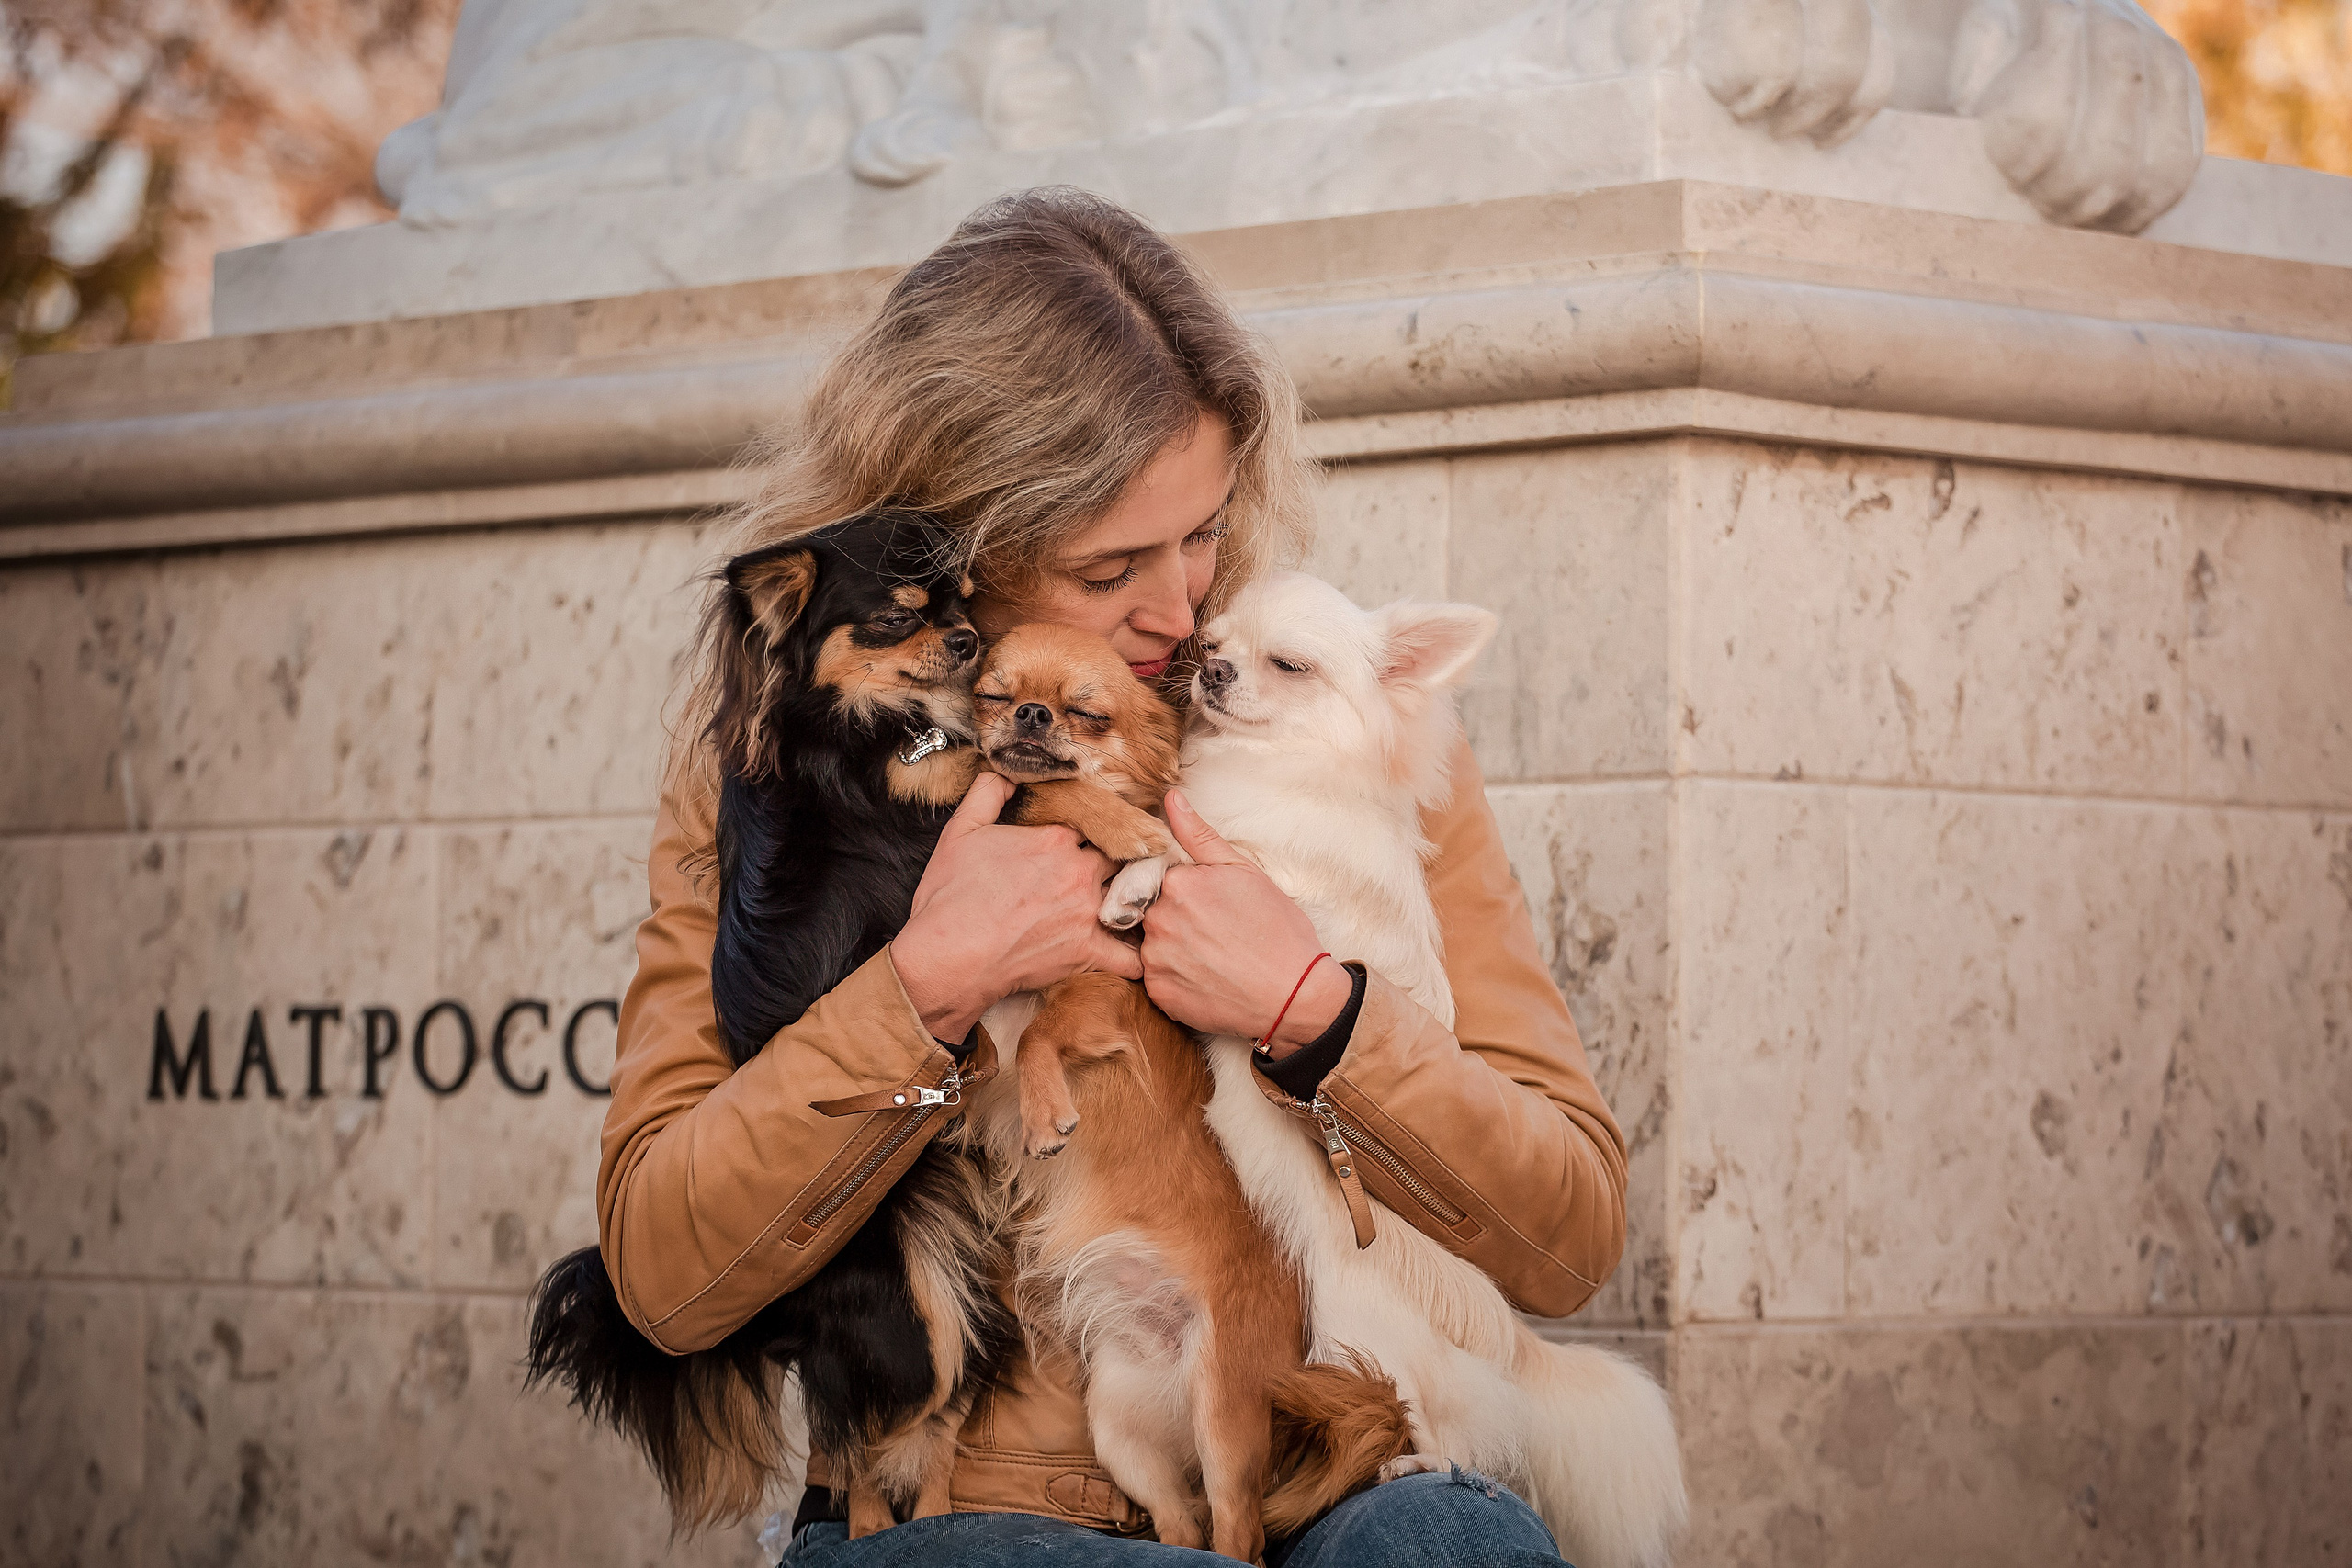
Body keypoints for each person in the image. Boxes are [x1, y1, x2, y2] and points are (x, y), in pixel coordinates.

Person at [600, 186, 1629, 1567]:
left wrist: (1320, 1017)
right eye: (1109, 567)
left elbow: (1568, 1238)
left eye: (1203, 532)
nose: (1182, 609)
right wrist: (923, 987)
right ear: (960, 550)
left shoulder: (1332, 736)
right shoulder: (785, 769)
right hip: (968, 1518)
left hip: (1326, 1462)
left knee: (1452, 1552)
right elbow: (665, 1277)